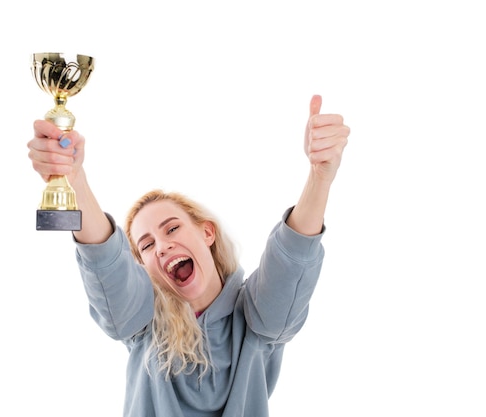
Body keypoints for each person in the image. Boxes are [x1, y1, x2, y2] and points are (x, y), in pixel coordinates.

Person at [27, 94, 350, 416]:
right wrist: (74, 178)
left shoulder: (259, 318)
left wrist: (320, 176)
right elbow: (106, 263)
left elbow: (291, 260)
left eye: (171, 229)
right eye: (147, 245)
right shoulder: (142, 323)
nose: (162, 245)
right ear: (142, 267)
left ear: (207, 233)